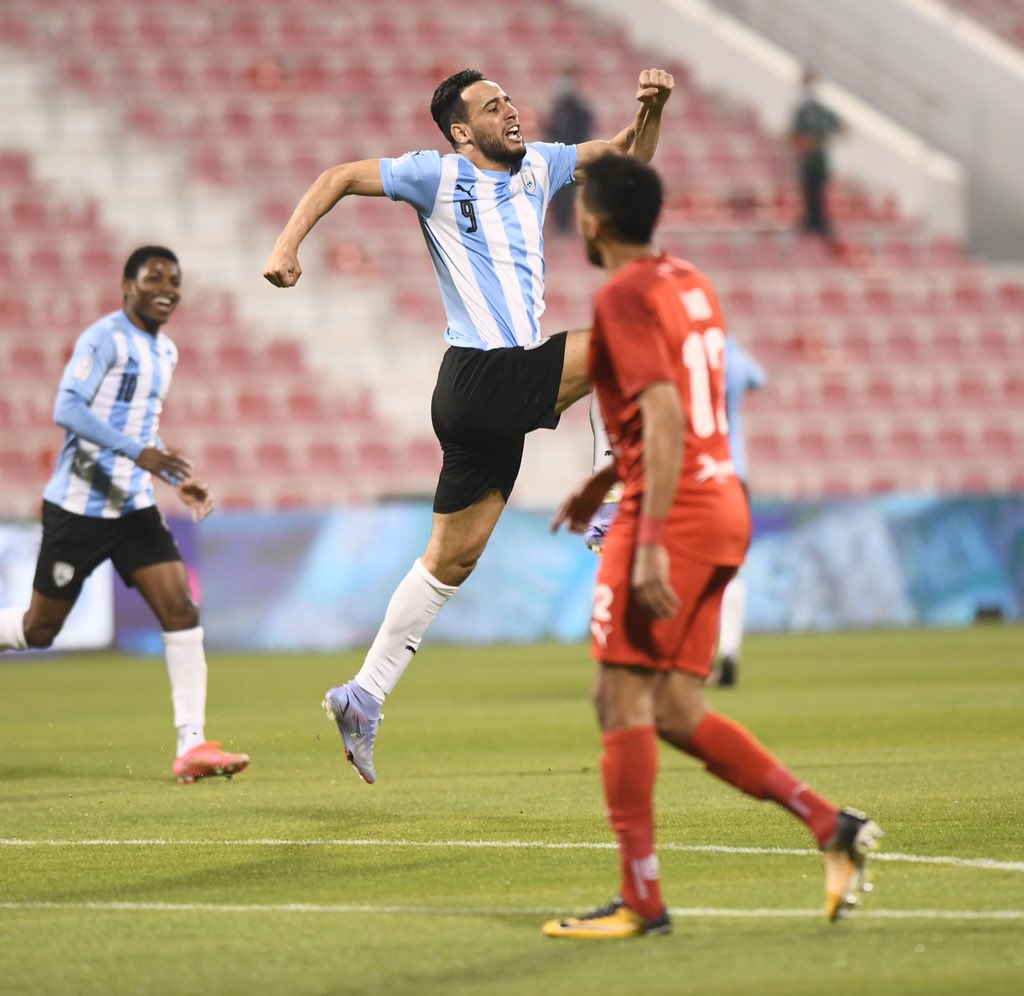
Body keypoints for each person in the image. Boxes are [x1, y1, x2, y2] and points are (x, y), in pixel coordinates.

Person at [262, 67, 675, 785]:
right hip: (483, 373)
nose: (510, 111)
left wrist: (655, 109)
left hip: (479, 400)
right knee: (627, 337)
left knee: (449, 562)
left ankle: (364, 695)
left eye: (509, 100)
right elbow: (338, 177)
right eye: (491, 107)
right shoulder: (436, 175)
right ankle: (611, 501)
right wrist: (285, 246)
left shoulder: (541, 164)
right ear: (461, 131)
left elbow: (625, 158)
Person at [543, 154, 880, 939]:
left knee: (619, 698)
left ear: (593, 220)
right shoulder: (690, 281)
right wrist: (601, 483)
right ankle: (830, 825)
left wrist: (649, 541)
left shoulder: (622, 294)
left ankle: (641, 901)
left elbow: (664, 416)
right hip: (724, 501)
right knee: (673, 708)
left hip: (675, 512)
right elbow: (682, 405)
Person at [0, 246, 250, 785]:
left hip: (133, 507)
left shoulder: (167, 352)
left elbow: (141, 427)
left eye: (174, 280)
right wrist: (140, 453)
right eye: (154, 277)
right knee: (40, 629)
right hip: (79, 508)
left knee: (181, 609)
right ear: (127, 286)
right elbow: (67, 408)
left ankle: (191, 745)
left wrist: (176, 479)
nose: (167, 288)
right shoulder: (104, 338)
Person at [709, 335, 766, 688]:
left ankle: (695, 659)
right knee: (732, 568)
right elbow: (759, 379)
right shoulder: (733, 354)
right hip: (737, 474)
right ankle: (729, 651)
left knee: (691, 568)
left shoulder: (687, 349)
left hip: (700, 472)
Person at [790, 67, 844, 240]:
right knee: (809, 192)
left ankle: (819, 222)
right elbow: (794, 137)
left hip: (819, 160)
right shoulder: (802, 112)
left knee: (820, 192)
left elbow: (841, 128)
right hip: (807, 160)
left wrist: (822, 142)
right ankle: (810, 221)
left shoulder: (821, 111)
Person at [544, 64, 594, 234]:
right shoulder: (556, 108)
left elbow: (584, 131)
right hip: (557, 156)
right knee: (558, 193)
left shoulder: (579, 109)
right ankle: (560, 226)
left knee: (568, 193)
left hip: (573, 156)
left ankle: (566, 226)